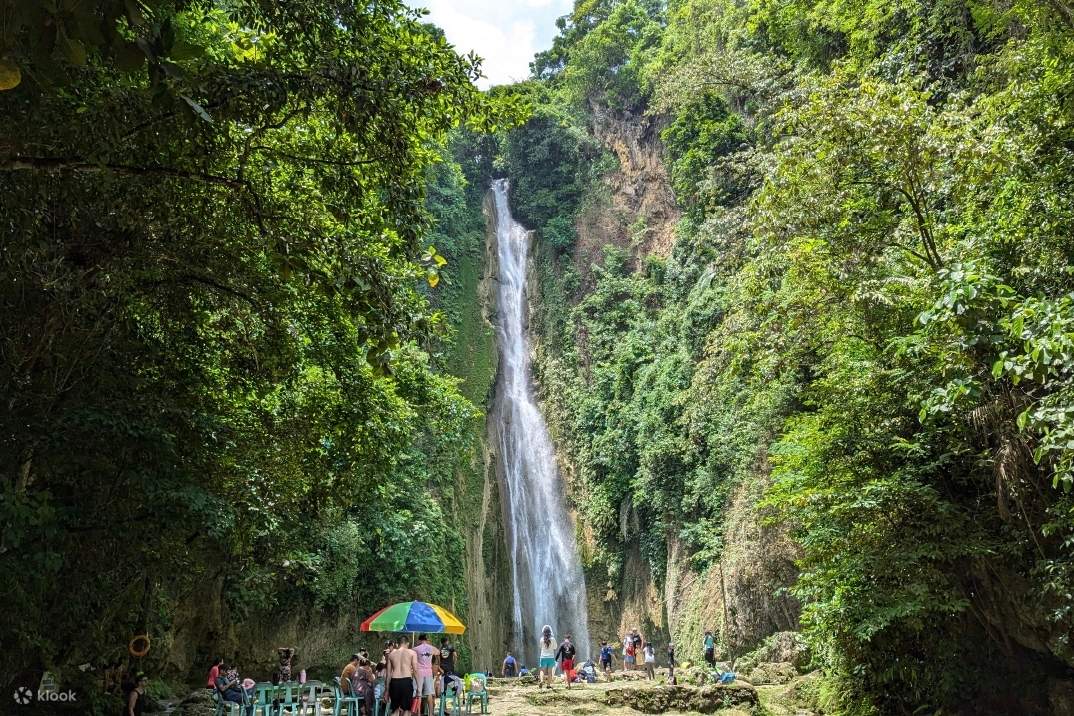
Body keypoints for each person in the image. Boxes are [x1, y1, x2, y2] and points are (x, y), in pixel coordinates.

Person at [384, 635, 418, 716]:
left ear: (397, 644)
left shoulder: (391, 654)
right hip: (406, 682)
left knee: (395, 710)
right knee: (407, 710)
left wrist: (386, 690)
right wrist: (419, 687)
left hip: (394, 682)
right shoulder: (412, 653)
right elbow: (415, 671)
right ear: (408, 643)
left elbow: (388, 674)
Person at [413, 633, 437, 716]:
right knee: (429, 694)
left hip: (419, 673)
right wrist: (431, 652)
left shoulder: (415, 649)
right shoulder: (431, 648)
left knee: (418, 694)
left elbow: (410, 654)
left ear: (419, 640)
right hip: (428, 673)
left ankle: (418, 713)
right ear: (427, 640)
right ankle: (430, 714)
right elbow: (438, 652)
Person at [538, 625, 556, 689]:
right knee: (550, 672)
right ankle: (548, 685)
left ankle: (542, 681)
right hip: (551, 657)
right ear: (550, 632)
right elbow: (555, 647)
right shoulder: (553, 639)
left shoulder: (541, 639)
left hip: (543, 657)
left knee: (542, 670)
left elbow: (540, 647)